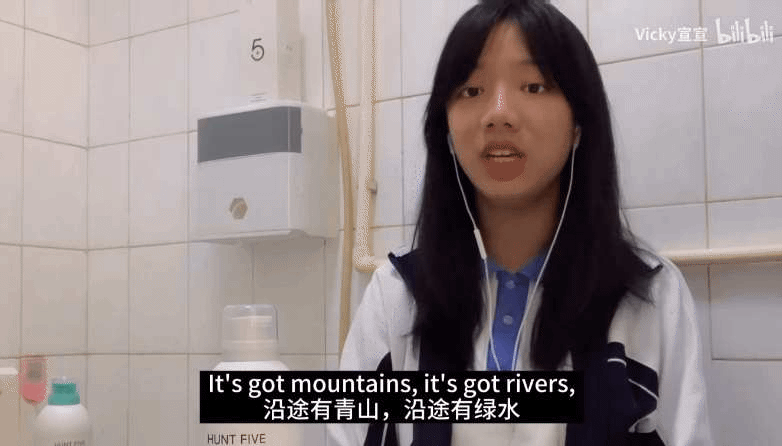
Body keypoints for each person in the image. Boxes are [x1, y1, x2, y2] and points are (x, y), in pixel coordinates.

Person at [328, 0, 713, 445]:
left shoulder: (650, 296)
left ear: (578, 124)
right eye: (471, 90)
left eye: (533, 85)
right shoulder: (396, 296)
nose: (498, 113)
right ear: (446, 132)